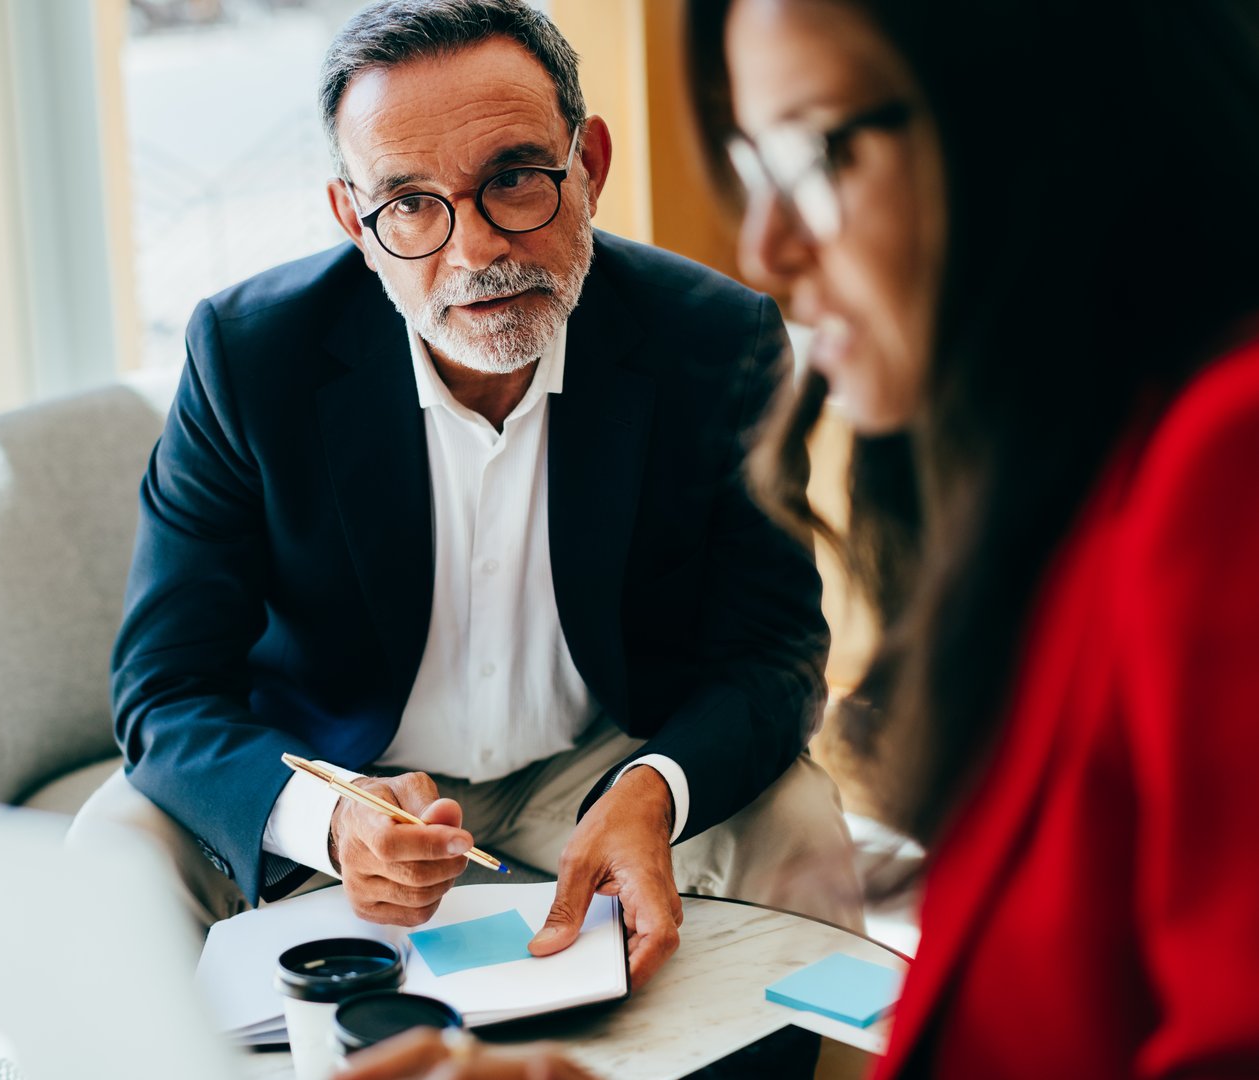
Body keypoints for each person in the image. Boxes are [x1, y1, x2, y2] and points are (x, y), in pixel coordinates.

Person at [342, 0, 1259, 1076]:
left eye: (816, 152)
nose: (765, 245)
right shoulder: (1049, 503)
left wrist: (647, 782)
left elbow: (769, 651)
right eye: (752, 160)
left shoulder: (1222, 465)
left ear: (1044, 118)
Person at [71, 0, 865, 994]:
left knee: (803, 837)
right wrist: (329, 818)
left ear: (590, 166)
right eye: (408, 203)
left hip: (594, 757)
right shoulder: (246, 356)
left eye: (515, 180)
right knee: (111, 856)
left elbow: (773, 653)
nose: (475, 250)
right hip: (336, 764)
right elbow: (164, 688)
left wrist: (652, 789)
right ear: (351, 222)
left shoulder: (716, 344)